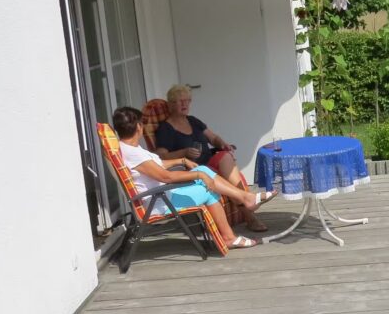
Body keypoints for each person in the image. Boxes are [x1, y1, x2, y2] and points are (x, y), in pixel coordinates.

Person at [112, 107, 275, 249]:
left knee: (202, 169)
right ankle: (229, 237)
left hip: (161, 195)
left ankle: (246, 198)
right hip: (159, 202)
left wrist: (182, 161)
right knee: (208, 190)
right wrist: (199, 175)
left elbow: (157, 165)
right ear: (138, 127)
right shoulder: (133, 154)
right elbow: (166, 176)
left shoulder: (128, 148)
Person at [154, 84, 270, 232]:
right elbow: (161, 156)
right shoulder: (165, 129)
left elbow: (213, 138)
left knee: (225, 156)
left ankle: (247, 197)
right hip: (192, 169)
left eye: (188, 100)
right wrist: (184, 152)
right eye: (180, 101)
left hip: (209, 161)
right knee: (221, 174)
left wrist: (222, 144)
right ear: (170, 104)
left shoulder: (193, 121)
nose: (185, 104)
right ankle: (250, 215)